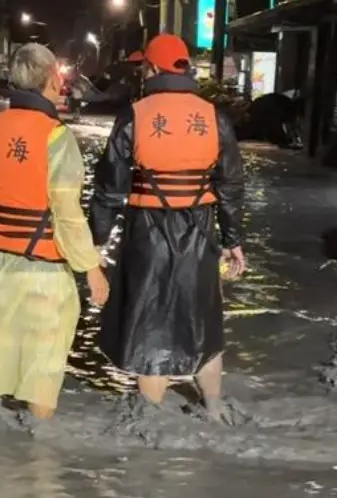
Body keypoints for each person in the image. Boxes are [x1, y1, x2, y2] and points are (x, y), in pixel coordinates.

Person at [90, 34, 246, 421]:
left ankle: (151, 416)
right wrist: (234, 240)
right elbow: (230, 186)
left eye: (145, 66)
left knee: (150, 322)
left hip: (148, 231)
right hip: (200, 230)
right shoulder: (214, 117)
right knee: (205, 319)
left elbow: (110, 189)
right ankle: (212, 407)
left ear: (154, 69)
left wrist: (95, 242)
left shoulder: (134, 115)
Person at [0, 43, 110, 425]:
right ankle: (39, 464)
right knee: (42, 373)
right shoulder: (55, 137)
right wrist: (91, 267)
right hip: (43, 275)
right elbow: (67, 212)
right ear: (52, 79)